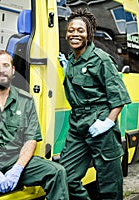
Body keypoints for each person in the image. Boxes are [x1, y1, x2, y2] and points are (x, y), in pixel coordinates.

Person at [0, 50, 69, 200]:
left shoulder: (25, 100)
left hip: (16, 158)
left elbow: (30, 140)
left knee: (56, 171)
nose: (1, 70)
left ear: (13, 70)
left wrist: (18, 168)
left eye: (5, 65)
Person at [58, 8, 132, 199]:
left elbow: (119, 97)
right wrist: (67, 69)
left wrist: (107, 122)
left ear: (89, 35)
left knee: (109, 185)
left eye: (80, 30)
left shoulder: (101, 59)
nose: (75, 34)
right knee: (65, 177)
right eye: (71, 30)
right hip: (78, 126)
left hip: (100, 122)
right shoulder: (73, 60)